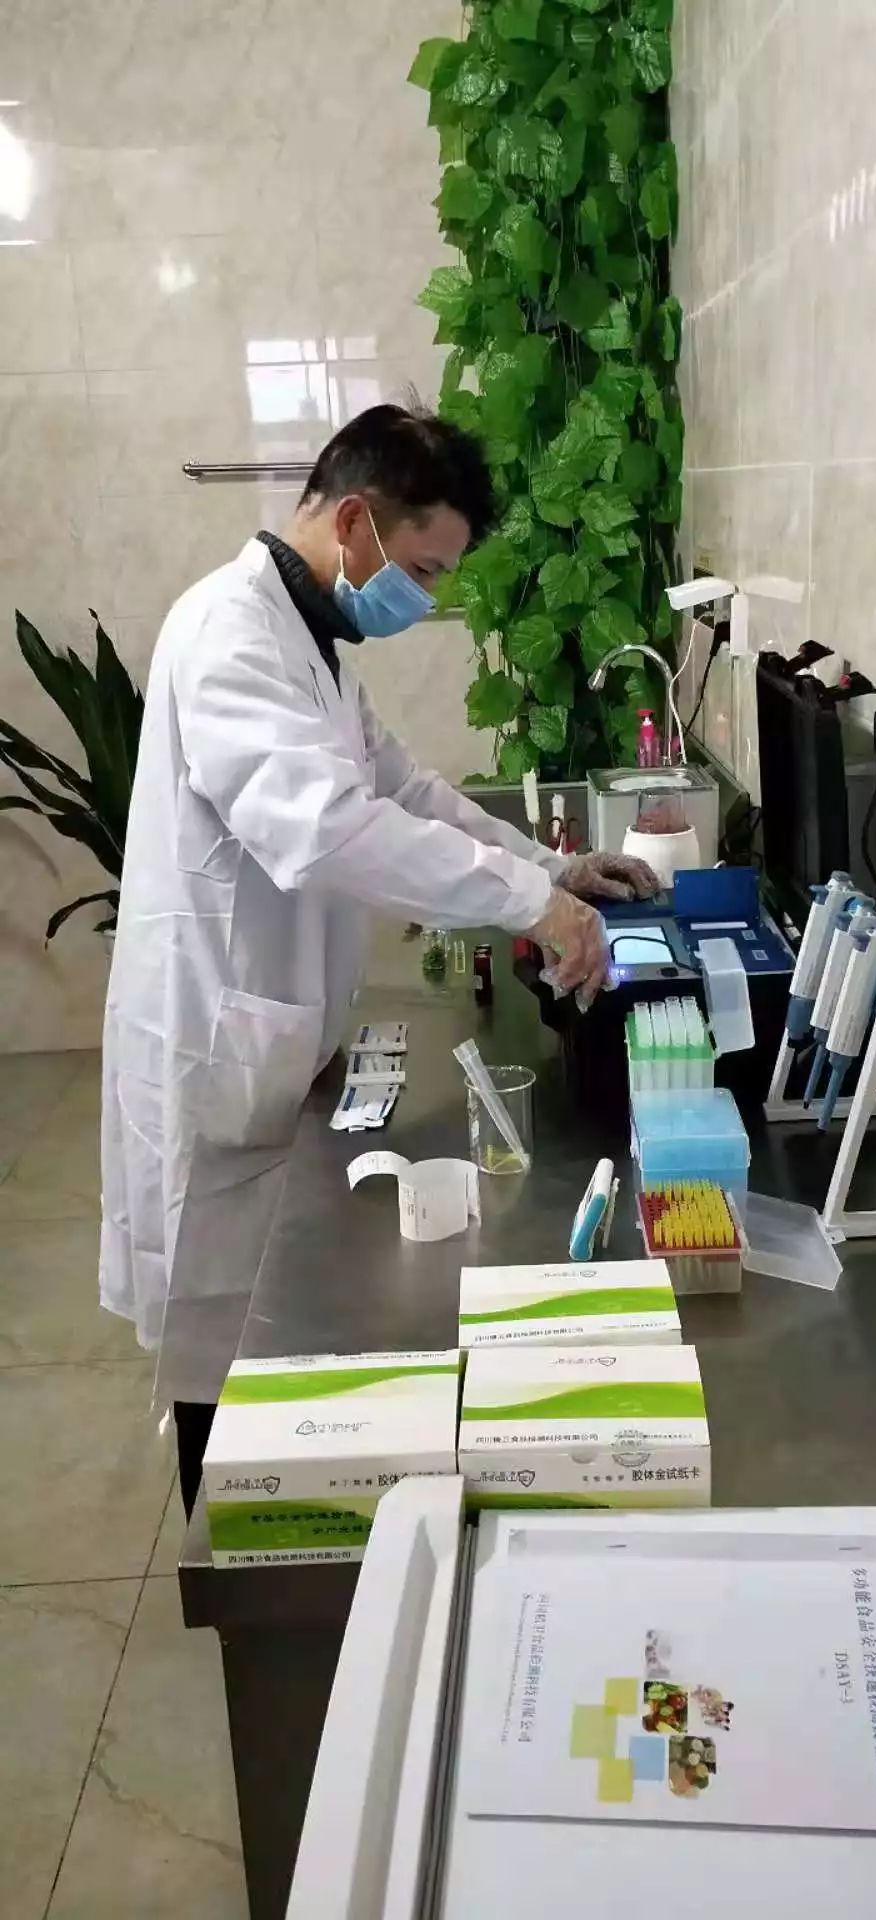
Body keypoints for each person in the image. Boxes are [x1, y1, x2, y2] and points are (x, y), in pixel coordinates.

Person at [99, 401, 656, 1516]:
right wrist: (530, 907)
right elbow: (329, 830)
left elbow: (405, 791)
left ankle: (269, 1511)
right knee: (220, 1350)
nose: (426, 599)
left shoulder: (310, 642)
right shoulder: (228, 636)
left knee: (265, 1332)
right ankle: (228, 1552)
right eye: (423, 568)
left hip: (273, 1039)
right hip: (216, 1049)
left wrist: (551, 868)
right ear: (355, 522)